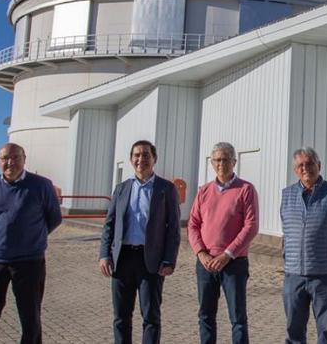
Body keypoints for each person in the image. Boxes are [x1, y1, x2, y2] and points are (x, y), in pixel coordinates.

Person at [0, 142, 63, 344]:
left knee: (30, 320)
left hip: (29, 263)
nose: (10, 162)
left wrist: (31, 236)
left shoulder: (42, 185)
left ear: (24, 159)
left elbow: (54, 218)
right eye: (5, 158)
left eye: (15, 157)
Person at [99, 140, 181, 344]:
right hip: (122, 259)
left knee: (151, 317)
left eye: (145, 155)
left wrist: (169, 260)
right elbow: (109, 224)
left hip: (150, 261)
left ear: (154, 159)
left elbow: (173, 230)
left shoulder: (166, 189)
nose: (140, 159)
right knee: (121, 317)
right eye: (136, 155)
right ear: (130, 159)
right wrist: (104, 254)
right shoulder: (121, 189)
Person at [188, 142, 260, 344]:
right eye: (217, 160)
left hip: (234, 264)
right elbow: (193, 224)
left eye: (226, 159)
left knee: (237, 318)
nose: (221, 163)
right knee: (206, 316)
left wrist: (227, 254)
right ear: (212, 163)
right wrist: (201, 253)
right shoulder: (203, 191)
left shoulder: (246, 189)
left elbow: (251, 226)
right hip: (206, 264)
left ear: (234, 162)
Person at [280, 147, 327, 344]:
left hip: (324, 275)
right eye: (300, 165)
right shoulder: (286, 195)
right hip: (294, 275)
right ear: (295, 170)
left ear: (319, 166)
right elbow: (287, 229)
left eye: (310, 163)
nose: (306, 168)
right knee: (294, 331)